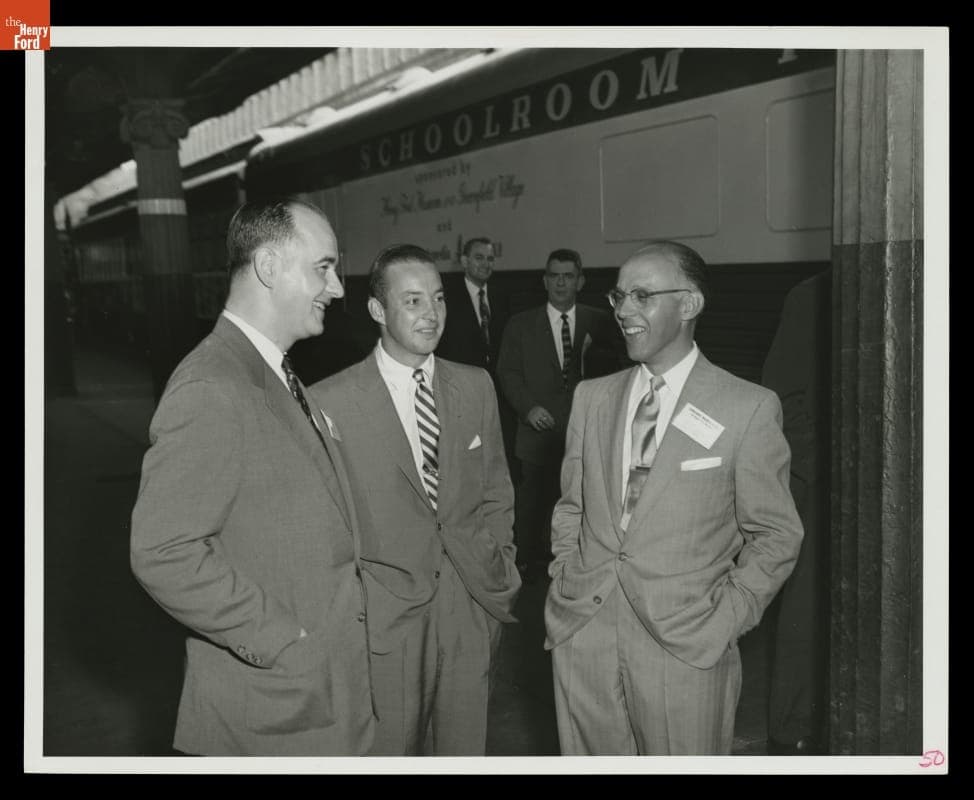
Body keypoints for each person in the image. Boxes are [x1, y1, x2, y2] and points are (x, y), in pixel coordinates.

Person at [130, 197, 374, 756]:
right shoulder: (212, 386)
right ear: (268, 266)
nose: (336, 288)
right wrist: (283, 640)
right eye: (323, 268)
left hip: (325, 695)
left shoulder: (272, 371)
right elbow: (163, 550)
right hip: (275, 708)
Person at [544, 240, 803, 755]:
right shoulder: (591, 398)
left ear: (689, 304)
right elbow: (570, 505)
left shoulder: (747, 408)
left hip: (687, 644)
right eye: (620, 296)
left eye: (642, 296)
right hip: (584, 632)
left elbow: (775, 536)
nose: (623, 311)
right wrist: (565, 577)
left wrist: (727, 617)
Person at [310, 244, 521, 755]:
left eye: (438, 299)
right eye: (412, 301)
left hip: (471, 600)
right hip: (386, 613)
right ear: (378, 311)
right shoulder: (329, 402)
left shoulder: (476, 387)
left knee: (464, 747)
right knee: (391, 748)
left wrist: (500, 572)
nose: (431, 314)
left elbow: (496, 490)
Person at [497, 248, 623, 582]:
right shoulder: (521, 325)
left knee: (578, 499)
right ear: (545, 280)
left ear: (580, 281)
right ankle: (525, 563)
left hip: (584, 433)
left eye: (568, 276)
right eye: (554, 276)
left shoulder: (601, 321)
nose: (561, 282)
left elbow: (617, 372)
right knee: (532, 503)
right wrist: (528, 408)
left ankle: (569, 562)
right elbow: (507, 373)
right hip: (537, 432)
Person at [761, 269, 831, 755]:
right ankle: (794, 738)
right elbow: (783, 396)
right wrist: (825, 467)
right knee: (806, 610)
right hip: (827, 484)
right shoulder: (811, 297)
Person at [436, 237, 508, 372]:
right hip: (461, 380)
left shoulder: (502, 296)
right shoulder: (447, 299)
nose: (486, 264)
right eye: (479, 258)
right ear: (464, 261)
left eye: (490, 259)